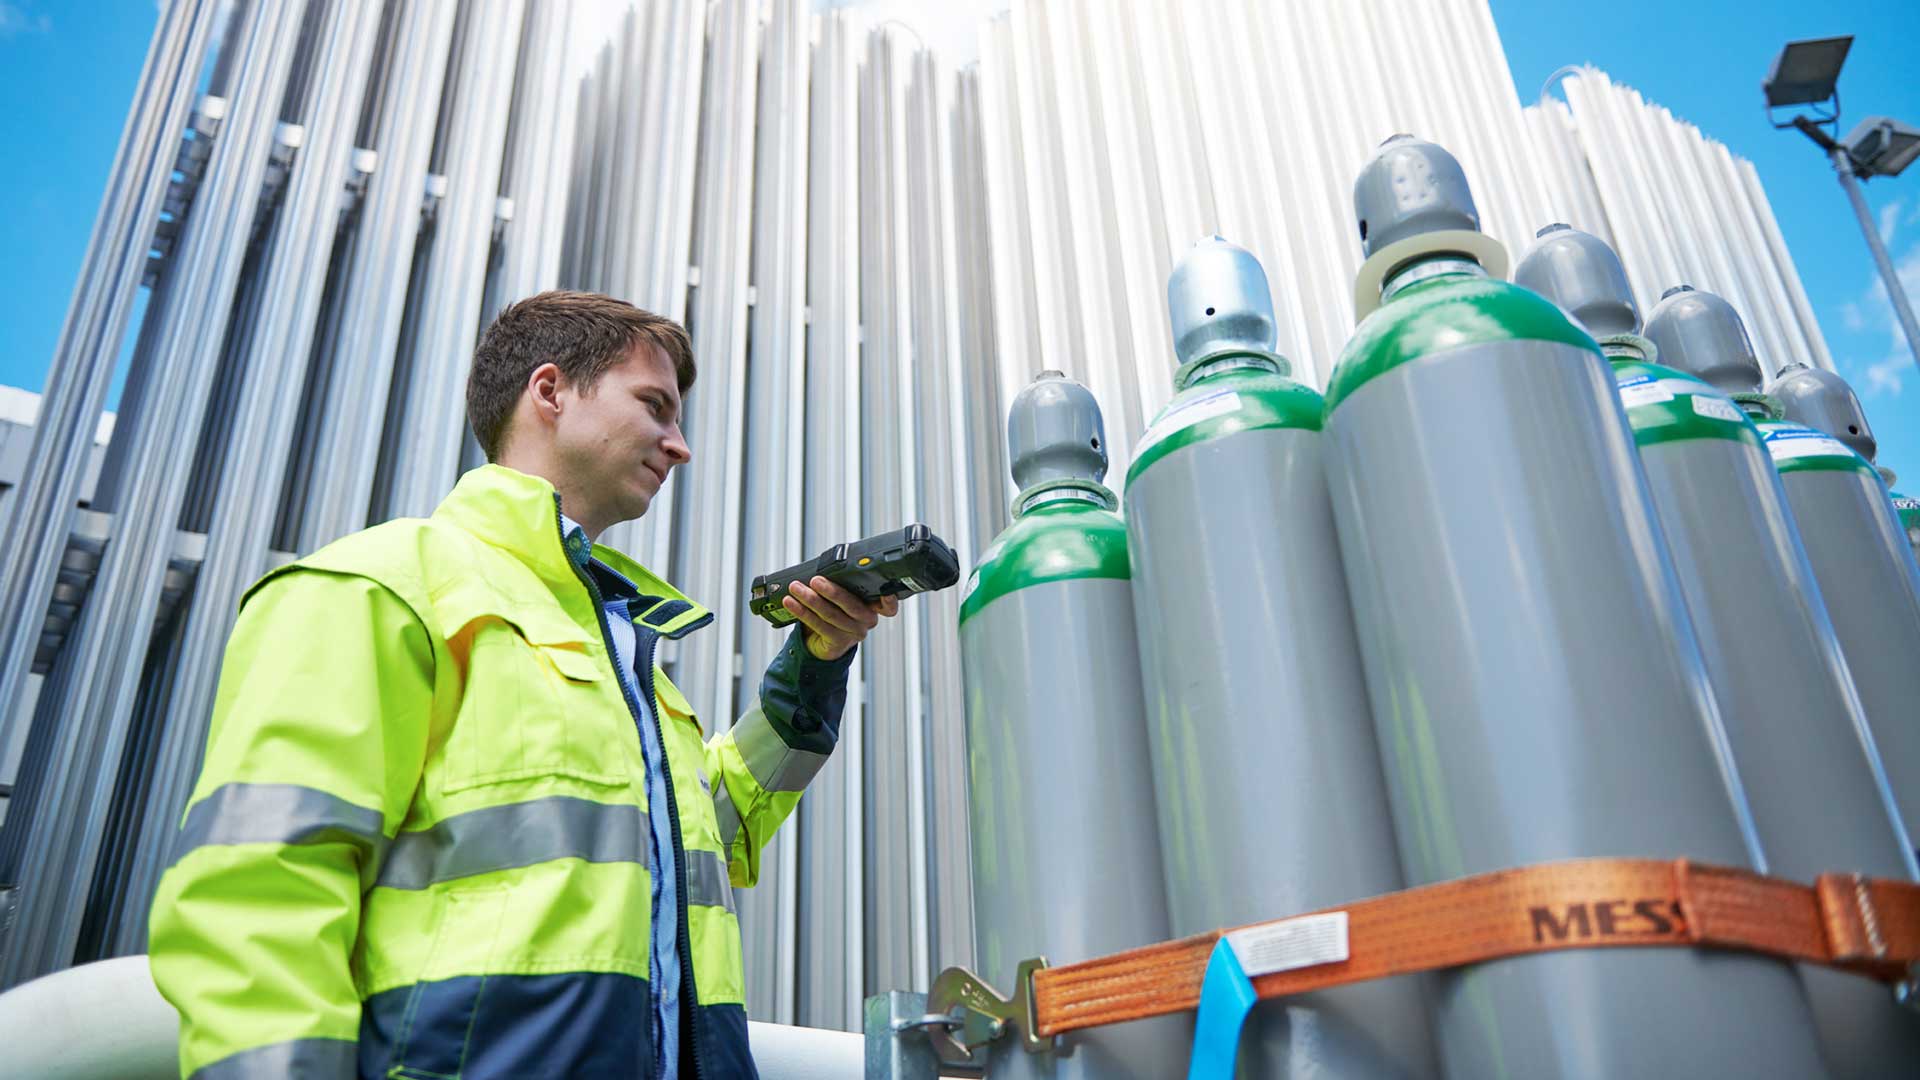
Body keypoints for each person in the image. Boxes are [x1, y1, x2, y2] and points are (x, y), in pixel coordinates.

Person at [149, 291, 896, 1079]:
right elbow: (261, 898)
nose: (680, 448)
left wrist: (815, 664)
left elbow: (705, 831)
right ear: (550, 391)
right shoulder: (378, 587)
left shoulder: (618, 645)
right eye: (655, 406)